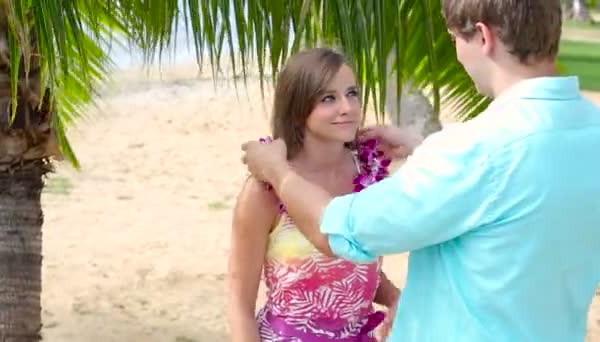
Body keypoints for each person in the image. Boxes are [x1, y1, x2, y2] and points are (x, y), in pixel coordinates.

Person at [240, 1, 600, 341]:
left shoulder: (475, 151)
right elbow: (511, 193)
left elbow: (342, 231)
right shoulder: (591, 134)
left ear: (484, 37)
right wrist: (424, 147)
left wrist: (278, 172)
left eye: (455, 40)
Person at [228, 47, 400, 342]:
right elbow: (239, 303)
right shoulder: (264, 190)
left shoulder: (370, 174)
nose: (347, 107)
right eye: (328, 98)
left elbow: (356, 267)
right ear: (298, 107)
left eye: (352, 93)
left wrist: (396, 298)